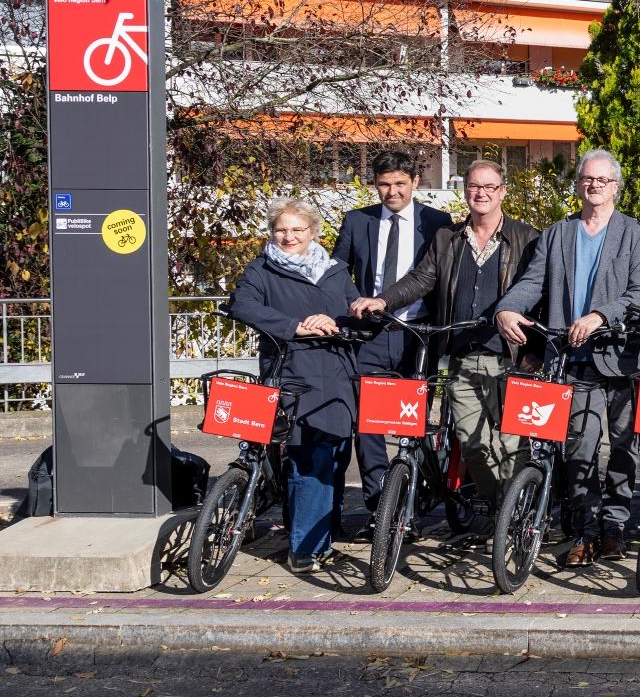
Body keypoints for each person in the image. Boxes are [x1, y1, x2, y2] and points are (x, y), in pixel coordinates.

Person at [351, 159, 541, 524]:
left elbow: (541, 294)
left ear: (502, 192)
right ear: (464, 190)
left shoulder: (527, 238)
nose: (481, 193)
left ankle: (513, 522)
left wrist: (536, 349)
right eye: (474, 186)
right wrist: (384, 300)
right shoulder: (447, 238)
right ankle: (503, 510)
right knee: (471, 444)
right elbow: (421, 279)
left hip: (511, 356)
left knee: (512, 445)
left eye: (489, 187)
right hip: (461, 356)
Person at [495, 150, 640, 564]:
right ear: (579, 184)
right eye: (587, 178)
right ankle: (586, 531)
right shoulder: (557, 234)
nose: (594, 185)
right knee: (580, 448)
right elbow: (533, 282)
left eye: (602, 180)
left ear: (615, 186)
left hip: (622, 356)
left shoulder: (636, 234)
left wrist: (601, 315)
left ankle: (615, 528)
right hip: (573, 357)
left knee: (624, 446)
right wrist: (507, 308)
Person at [226, 200, 360, 573]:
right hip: (293, 370)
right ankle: (304, 549)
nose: (289, 236)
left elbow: (357, 314)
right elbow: (241, 305)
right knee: (310, 457)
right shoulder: (261, 269)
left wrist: (336, 322)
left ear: (312, 232)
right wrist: (295, 326)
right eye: (281, 229)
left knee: (336, 457)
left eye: (297, 229)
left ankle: (322, 538)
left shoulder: (335, 270)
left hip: (338, 372)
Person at [330, 150, 453, 525]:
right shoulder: (357, 220)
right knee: (368, 423)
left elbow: (442, 278)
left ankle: (409, 500)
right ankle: (379, 504)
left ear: (415, 182)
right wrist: (354, 307)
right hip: (371, 335)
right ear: (375, 184)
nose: (392, 191)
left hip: (418, 336)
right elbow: (337, 274)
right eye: (384, 184)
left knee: (410, 422)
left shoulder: (438, 222)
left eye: (400, 183)